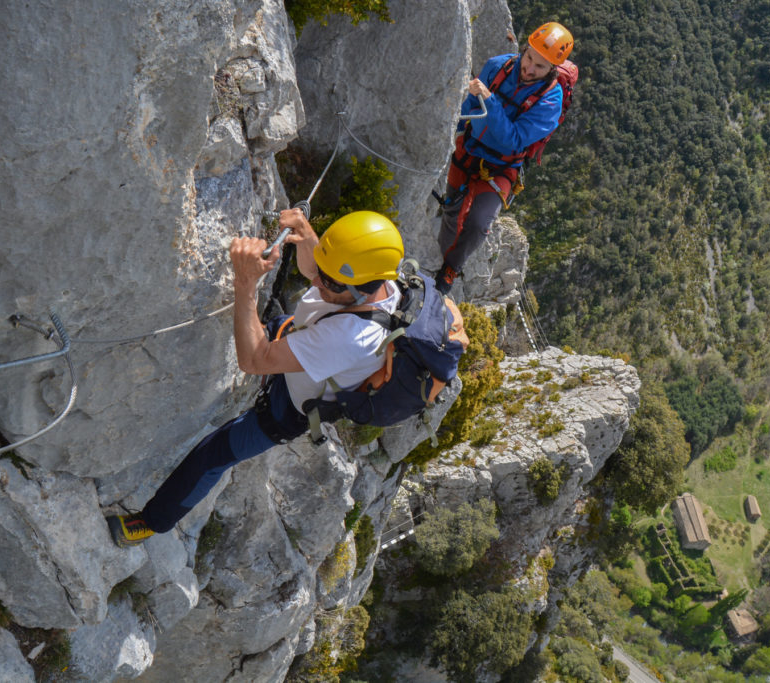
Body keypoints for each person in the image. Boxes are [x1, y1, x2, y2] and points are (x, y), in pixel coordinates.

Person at [106, 208, 404, 547]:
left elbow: (253, 360)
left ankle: (150, 523)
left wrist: (245, 282)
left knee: (211, 456)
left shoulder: (352, 337)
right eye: (324, 268)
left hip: (289, 408)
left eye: (330, 281)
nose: (317, 281)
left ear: (363, 290)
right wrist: (308, 237)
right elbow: (321, 277)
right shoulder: (375, 278)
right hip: (301, 343)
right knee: (278, 324)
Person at [435, 21, 574, 294]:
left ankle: (451, 266)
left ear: (552, 71)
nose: (529, 68)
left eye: (540, 66)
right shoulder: (498, 66)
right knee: (451, 208)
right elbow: (471, 104)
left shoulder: (550, 101)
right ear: (525, 49)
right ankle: (441, 253)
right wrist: (455, 130)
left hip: (502, 165)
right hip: (469, 148)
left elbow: (513, 141)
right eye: (529, 57)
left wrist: (491, 100)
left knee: (479, 223)